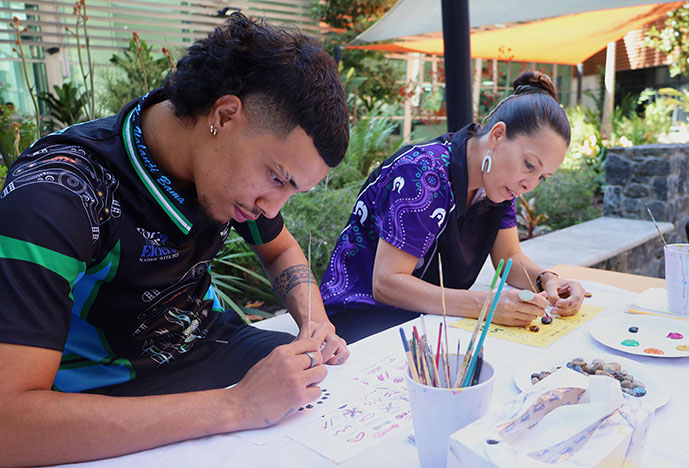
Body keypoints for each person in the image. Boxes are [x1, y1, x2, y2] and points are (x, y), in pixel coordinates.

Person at [0, 14, 350, 466]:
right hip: (103, 393)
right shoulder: (58, 196)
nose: (271, 207)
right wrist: (238, 406)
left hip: (215, 349)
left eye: (291, 191)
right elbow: (9, 426)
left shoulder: (225, 170)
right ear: (224, 116)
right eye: (277, 178)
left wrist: (312, 322)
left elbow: (279, 248)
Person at [321, 71, 588, 344]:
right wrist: (485, 305)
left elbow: (508, 257)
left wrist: (548, 281)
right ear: (497, 136)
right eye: (529, 165)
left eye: (541, 177)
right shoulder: (422, 175)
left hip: (428, 320)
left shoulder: (498, 182)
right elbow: (387, 283)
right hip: (359, 323)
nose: (529, 185)